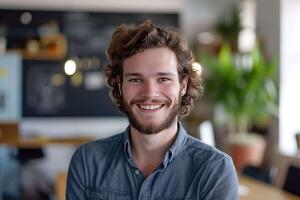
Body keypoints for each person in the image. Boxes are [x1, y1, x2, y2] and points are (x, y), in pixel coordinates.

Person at [66, 20, 238, 200]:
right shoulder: (88, 162)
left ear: (183, 85)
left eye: (163, 78)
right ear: (119, 85)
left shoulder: (214, 169)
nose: (149, 93)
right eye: (135, 79)